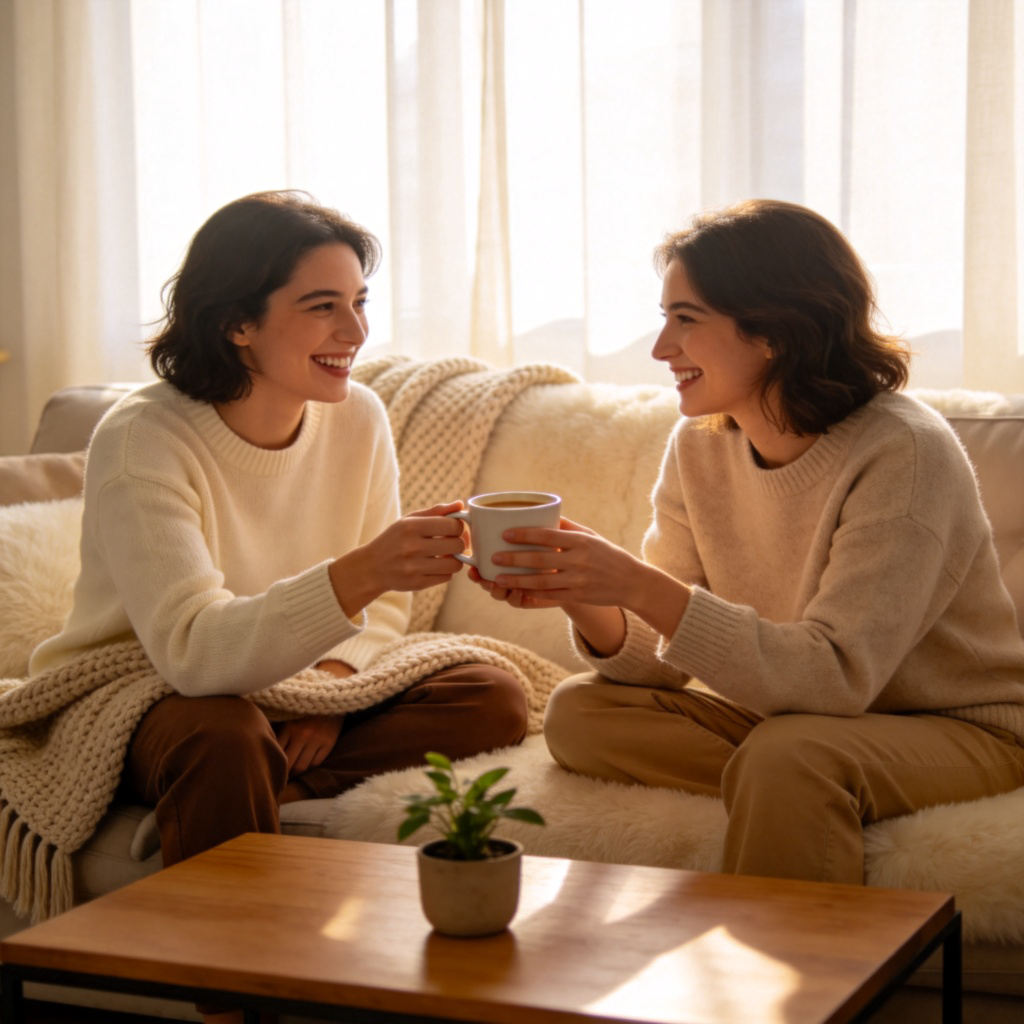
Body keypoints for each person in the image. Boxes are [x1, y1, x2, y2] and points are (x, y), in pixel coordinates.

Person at [30, 191, 527, 1018]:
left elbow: (388, 622)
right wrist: (360, 576)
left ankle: (259, 792)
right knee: (225, 733)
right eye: (321, 306)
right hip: (143, 691)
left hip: (296, 683)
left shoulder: (358, 417)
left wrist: (332, 683)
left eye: (360, 303)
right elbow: (191, 654)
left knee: (491, 692)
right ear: (238, 324)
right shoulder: (142, 436)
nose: (356, 332)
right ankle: (238, 1003)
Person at [470, 198, 1024, 885]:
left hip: (959, 731)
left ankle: (784, 977)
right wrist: (585, 594)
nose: (661, 348)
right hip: (792, 717)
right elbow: (660, 665)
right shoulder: (700, 446)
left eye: (686, 320)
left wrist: (638, 584)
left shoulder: (905, 452)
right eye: (664, 318)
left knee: (791, 755)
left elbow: (835, 677)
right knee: (581, 712)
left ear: (775, 332)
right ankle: (795, 789)